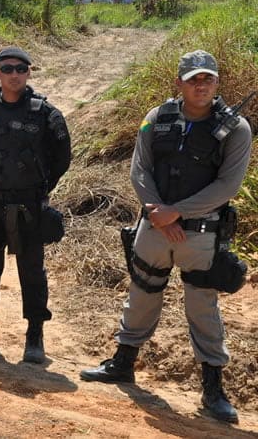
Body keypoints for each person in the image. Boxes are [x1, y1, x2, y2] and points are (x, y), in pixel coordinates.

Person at [80, 50, 251, 424]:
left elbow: (228, 185)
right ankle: (122, 364)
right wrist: (157, 211)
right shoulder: (155, 119)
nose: (200, 84)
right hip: (154, 226)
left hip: (200, 233)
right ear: (179, 83)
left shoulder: (236, 129)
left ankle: (213, 389)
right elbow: (139, 167)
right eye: (193, 79)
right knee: (141, 294)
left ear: (217, 82)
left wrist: (178, 212)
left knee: (202, 307)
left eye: (207, 78)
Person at [0, 46, 71, 364]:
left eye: (21, 69)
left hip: (28, 205)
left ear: (29, 73)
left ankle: (35, 336)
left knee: (31, 272)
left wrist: (41, 189)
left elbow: (62, 157)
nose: (14, 74)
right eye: (7, 69)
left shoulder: (45, 113)